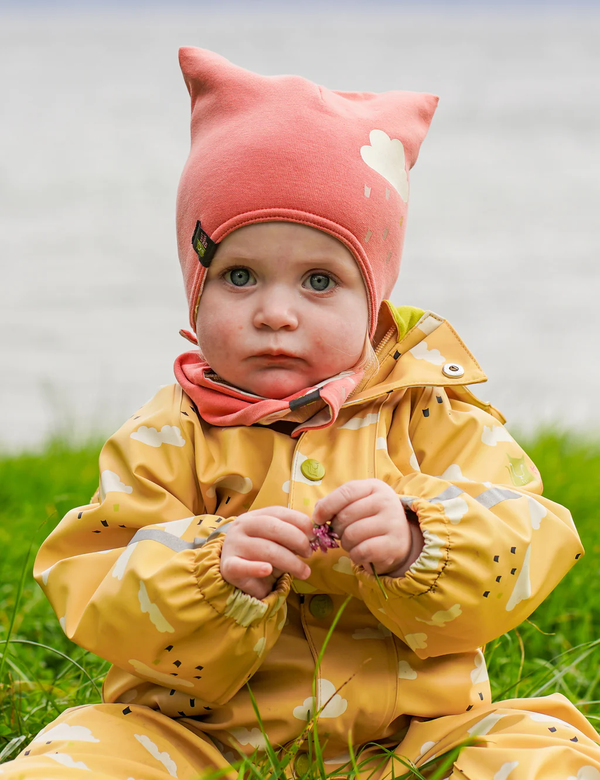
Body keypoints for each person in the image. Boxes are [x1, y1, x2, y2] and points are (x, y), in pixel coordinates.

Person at [3, 47, 600, 780]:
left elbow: (528, 537)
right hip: (195, 741)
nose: (276, 313)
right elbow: (96, 582)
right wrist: (209, 571)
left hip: (416, 739)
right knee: (76, 759)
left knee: (543, 754)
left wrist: (421, 539)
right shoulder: (166, 437)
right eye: (240, 276)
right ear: (195, 290)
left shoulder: (433, 416)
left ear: (373, 299)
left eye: (319, 280)